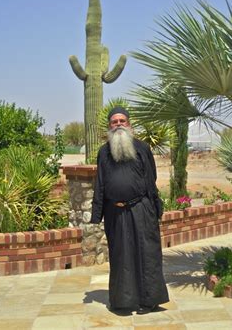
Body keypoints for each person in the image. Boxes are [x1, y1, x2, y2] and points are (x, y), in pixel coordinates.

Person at [90, 106, 169, 315]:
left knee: (147, 255)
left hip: (141, 209)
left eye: (122, 121)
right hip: (115, 213)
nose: (118, 125)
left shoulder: (142, 148)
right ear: (109, 125)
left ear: (129, 124)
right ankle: (122, 302)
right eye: (114, 121)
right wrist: (96, 214)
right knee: (120, 257)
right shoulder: (104, 152)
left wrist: (155, 208)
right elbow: (100, 183)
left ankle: (149, 301)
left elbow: (151, 179)